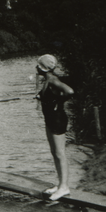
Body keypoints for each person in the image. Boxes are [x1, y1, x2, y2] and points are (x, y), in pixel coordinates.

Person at [35, 54, 74, 201]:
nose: (36, 67)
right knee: (54, 152)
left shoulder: (52, 80)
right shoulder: (47, 80)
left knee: (60, 153)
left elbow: (70, 91)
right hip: (51, 119)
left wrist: (60, 101)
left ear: (43, 68)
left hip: (57, 119)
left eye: (38, 65)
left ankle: (64, 187)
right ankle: (60, 184)